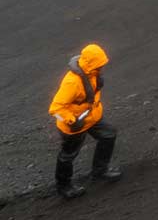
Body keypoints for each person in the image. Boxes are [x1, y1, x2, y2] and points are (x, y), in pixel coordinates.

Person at [48, 43, 122, 199]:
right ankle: (64, 186)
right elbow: (55, 109)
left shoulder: (92, 73)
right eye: (99, 65)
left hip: (92, 117)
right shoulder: (72, 82)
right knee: (68, 155)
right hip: (74, 125)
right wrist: (71, 120)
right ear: (90, 64)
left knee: (109, 134)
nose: (102, 68)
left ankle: (100, 171)